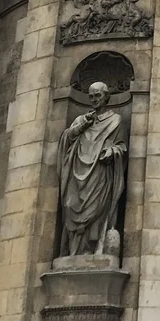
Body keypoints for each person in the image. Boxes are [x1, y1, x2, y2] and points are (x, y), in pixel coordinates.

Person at [57, 81, 127, 257]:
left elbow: (122, 147)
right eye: (91, 96)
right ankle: (73, 252)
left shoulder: (115, 121)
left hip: (100, 174)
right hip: (77, 173)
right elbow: (66, 139)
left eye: (98, 96)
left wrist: (112, 152)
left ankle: (91, 250)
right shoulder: (82, 120)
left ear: (106, 97)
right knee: (70, 205)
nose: (94, 100)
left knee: (96, 211)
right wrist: (83, 126)